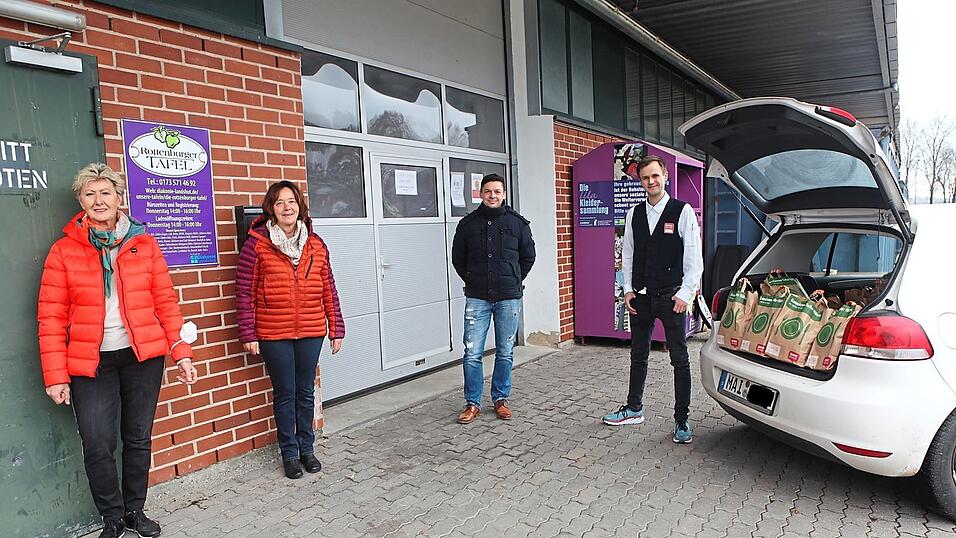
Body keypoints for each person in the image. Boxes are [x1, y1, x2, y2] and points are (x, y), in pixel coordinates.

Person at [37, 163, 198, 538]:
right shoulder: (63, 251)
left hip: (142, 357)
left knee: (138, 437)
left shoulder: (144, 244)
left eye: (105, 192)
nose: (98, 200)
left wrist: (181, 352)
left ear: (118, 198)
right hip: (90, 362)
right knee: (97, 442)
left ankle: (134, 512)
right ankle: (111, 516)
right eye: (90, 194)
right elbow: (51, 317)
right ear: (80, 201)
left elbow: (165, 303)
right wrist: (56, 376)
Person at [235, 180, 345, 479]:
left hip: (310, 330)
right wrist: (248, 333)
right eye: (280, 202)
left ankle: (307, 449)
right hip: (274, 333)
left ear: (300, 207)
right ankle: (290, 453)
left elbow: (328, 288)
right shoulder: (256, 245)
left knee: (305, 392)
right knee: (285, 393)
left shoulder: (316, 244)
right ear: (271, 209)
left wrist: (336, 327)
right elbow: (244, 292)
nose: (287, 207)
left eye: (292, 201)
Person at [601, 155, 703, 444]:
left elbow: (694, 258)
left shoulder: (682, 211)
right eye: (645, 177)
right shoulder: (634, 213)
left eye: (655, 176)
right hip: (641, 298)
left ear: (665, 176)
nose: (651, 181)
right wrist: (627, 289)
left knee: (679, 360)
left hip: (672, 298)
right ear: (641, 181)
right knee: (638, 355)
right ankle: (634, 408)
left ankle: (682, 420)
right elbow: (628, 254)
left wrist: (685, 294)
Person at [451, 174, 535, 424]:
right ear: (481, 194)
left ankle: (500, 399)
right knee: (472, 352)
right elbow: (458, 259)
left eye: (497, 191)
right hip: (477, 297)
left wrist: (513, 277)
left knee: (505, 351)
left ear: (504, 194)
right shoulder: (467, 225)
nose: (492, 196)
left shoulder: (518, 224)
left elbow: (528, 257)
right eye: (488, 191)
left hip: (508, 297)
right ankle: (472, 402)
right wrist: (472, 279)